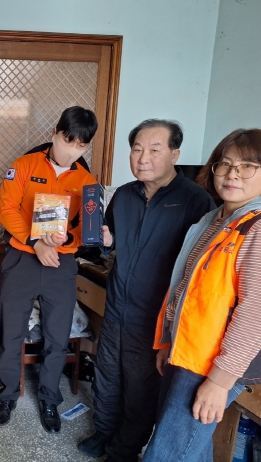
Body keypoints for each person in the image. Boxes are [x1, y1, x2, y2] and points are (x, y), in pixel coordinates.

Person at [78, 120, 215, 461]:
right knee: (107, 379)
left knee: (140, 391)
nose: (143, 158)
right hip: (116, 309)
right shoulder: (124, 195)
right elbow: (112, 243)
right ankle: (104, 434)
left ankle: (123, 450)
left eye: (154, 149)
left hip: (153, 319)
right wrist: (106, 240)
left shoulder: (196, 201)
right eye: (137, 149)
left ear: (174, 154)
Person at [143, 129, 261, 461]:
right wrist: (168, 342)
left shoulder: (256, 227)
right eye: (225, 164)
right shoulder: (216, 219)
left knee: (167, 454)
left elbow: (254, 312)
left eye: (248, 166)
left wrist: (220, 381)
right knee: (189, 449)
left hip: (212, 363)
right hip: (187, 351)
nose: (232, 174)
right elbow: (186, 288)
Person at [0, 106, 98, 432]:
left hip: (61, 264)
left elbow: (88, 230)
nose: (72, 151)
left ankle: (50, 398)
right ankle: (7, 394)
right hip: (22, 258)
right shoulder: (24, 165)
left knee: (57, 334)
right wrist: (35, 242)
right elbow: (7, 209)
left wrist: (69, 239)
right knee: (11, 331)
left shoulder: (87, 181)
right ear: (54, 133)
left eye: (81, 146)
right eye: (67, 141)